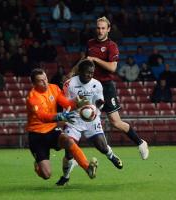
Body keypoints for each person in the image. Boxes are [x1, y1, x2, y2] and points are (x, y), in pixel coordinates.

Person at [69, 16, 149, 160]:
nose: (100, 31)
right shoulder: (90, 43)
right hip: (89, 86)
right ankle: (72, 156)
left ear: (108, 29)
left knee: (115, 122)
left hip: (105, 87)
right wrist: (72, 72)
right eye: (98, 28)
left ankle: (141, 142)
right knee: (80, 117)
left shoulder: (112, 46)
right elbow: (85, 60)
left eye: (103, 28)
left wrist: (96, 59)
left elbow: (112, 67)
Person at [56, 59, 123, 186]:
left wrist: (99, 104)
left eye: (92, 73)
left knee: (102, 146)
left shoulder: (97, 84)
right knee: (69, 152)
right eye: (87, 73)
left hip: (91, 119)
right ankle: (65, 177)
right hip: (73, 120)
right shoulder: (69, 84)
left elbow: (98, 102)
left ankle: (112, 156)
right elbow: (64, 102)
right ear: (80, 71)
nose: (90, 75)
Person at [26, 68, 98, 180]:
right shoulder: (32, 97)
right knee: (46, 175)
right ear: (34, 83)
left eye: (45, 78)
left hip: (52, 130)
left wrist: (76, 102)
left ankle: (87, 168)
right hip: (37, 135)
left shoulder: (53, 88)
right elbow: (42, 117)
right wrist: (58, 116)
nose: (45, 82)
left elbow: (65, 102)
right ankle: (38, 166)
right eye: (41, 81)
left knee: (68, 140)